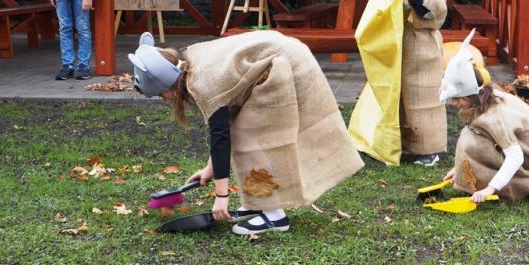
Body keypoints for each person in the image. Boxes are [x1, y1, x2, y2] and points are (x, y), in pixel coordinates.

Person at [128, 31, 365, 235]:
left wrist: (222, 197)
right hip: (280, 56)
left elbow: (221, 136)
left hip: (283, 64)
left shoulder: (203, 82)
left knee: (254, 137)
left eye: (162, 94)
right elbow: (226, 119)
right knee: (244, 132)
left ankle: (275, 216)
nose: (166, 100)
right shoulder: (190, 62)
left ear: (168, 82)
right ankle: (257, 203)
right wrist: (209, 170)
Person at [440, 32, 529, 203]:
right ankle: (503, 181)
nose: (454, 103)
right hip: (520, 148)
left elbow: (515, 155)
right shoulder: (484, 100)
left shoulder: (493, 117)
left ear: (471, 96)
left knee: (473, 142)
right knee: (470, 135)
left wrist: (489, 189)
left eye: (457, 99)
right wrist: (459, 168)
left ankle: (525, 184)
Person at [367, 0, 447, 166]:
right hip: (408, 42)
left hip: (422, 44)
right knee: (405, 94)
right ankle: (407, 142)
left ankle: (429, 148)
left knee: (423, 94)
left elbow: (435, 11)